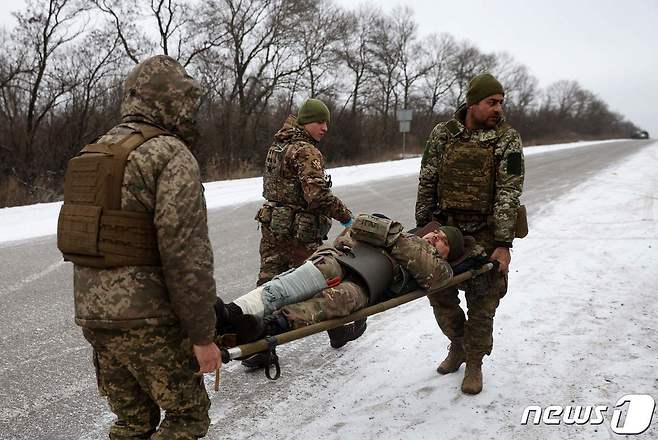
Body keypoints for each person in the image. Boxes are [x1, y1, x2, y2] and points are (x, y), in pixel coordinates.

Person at [57, 55, 220, 439]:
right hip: (147, 321)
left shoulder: (95, 150)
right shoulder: (170, 154)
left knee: (133, 423)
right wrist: (202, 336)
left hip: (94, 318)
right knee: (187, 418)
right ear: (173, 100)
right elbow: (186, 255)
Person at [415, 72, 525, 395]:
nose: (498, 109)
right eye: (492, 103)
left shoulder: (508, 140)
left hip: (488, 233)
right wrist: (424, 227)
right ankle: (458, 345)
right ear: (472, 104)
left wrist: (504, 244)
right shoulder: (443, 135)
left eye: (501, 103)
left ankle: (474, 362)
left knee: (483, 300)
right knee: (438, 292)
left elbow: (509, 192)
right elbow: (427, 181)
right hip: (447, 231)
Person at [216, 214, 473, 349]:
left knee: (338, 301)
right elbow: (356, 228)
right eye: (435, 233)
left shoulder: (441, 269)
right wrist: (396, 239)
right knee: (295, 282)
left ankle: (267, 327)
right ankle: (232, 312)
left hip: (368, 286)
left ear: (448, 255)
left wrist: (389, 237)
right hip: (344, 260)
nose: (433, 238)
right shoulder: (405, 236)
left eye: (443, 242)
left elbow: (430, 272)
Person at [255, 98, 352, 286]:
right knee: (321, 282)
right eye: (320, 122)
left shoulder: (278, 146)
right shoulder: (306, 150)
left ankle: (256, 315)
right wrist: (346, 216)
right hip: (299, 235)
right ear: (306, 122)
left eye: (326, 123)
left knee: (268, 286)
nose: (325, 128)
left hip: (272, 229)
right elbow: (318, 196)